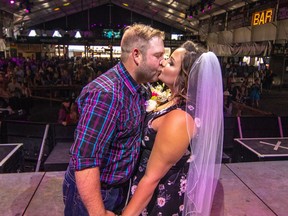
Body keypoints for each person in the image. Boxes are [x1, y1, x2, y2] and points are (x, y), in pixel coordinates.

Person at [62, 23, 165, 216]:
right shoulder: (107, 95)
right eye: (158, 56)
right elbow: (85, 160)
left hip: (117, 189)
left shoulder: (139, 87)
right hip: (96, 192)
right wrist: (98, 213)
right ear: (136, 55)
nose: (163, 62)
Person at [121, 41, 224, 216]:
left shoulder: (179, 119)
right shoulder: (173, 100)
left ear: (184, 77)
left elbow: (152, 178)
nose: (162, 62)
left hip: (158, 198)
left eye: (170, 63)